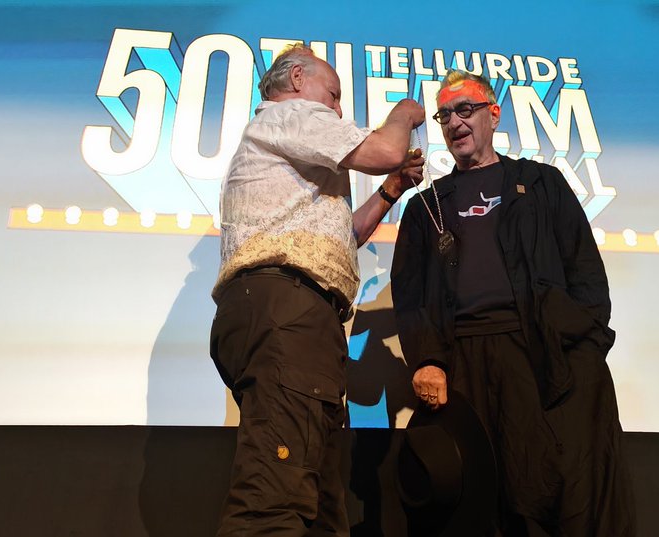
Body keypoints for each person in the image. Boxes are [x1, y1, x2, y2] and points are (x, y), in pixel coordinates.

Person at [391, 70, 636, 536]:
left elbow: (584, 270)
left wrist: (581, 348)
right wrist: (427, 360)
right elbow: (409, 292)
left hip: (540, 356)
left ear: (493, 114)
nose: (454, 123)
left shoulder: (541, 184)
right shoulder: (427, 206)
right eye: (445, 115)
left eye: (465, 110)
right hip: (463, 364)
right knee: (477, 502)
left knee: (553, 493)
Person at [209, 44, 424, 536]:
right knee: (274, 503)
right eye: (334, 95)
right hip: (288, 313)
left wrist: (390, 190)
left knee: (320, 506)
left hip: (294, 317)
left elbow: (340, 239)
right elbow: (387, 148)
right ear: (299, 79)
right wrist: (405, 113)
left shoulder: (285, 143)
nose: (339, 110)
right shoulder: (292, 114)